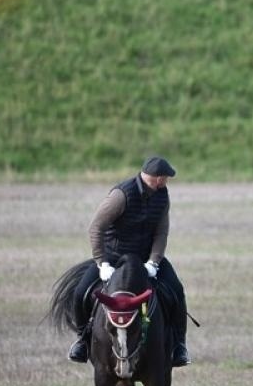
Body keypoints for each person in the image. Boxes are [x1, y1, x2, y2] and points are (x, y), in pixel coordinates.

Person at [69, 155, 190, 367]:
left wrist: (154, 261)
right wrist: (102, 262)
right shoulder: (121, 195)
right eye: (165, 178)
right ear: (157, 177)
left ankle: (179, 345)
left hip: (144, 258)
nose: (166, 182)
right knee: (81, 292)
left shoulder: (162, 196)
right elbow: (96, 227)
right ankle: (82, 341)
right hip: (114, 256)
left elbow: (161, 232)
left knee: (177, 290)